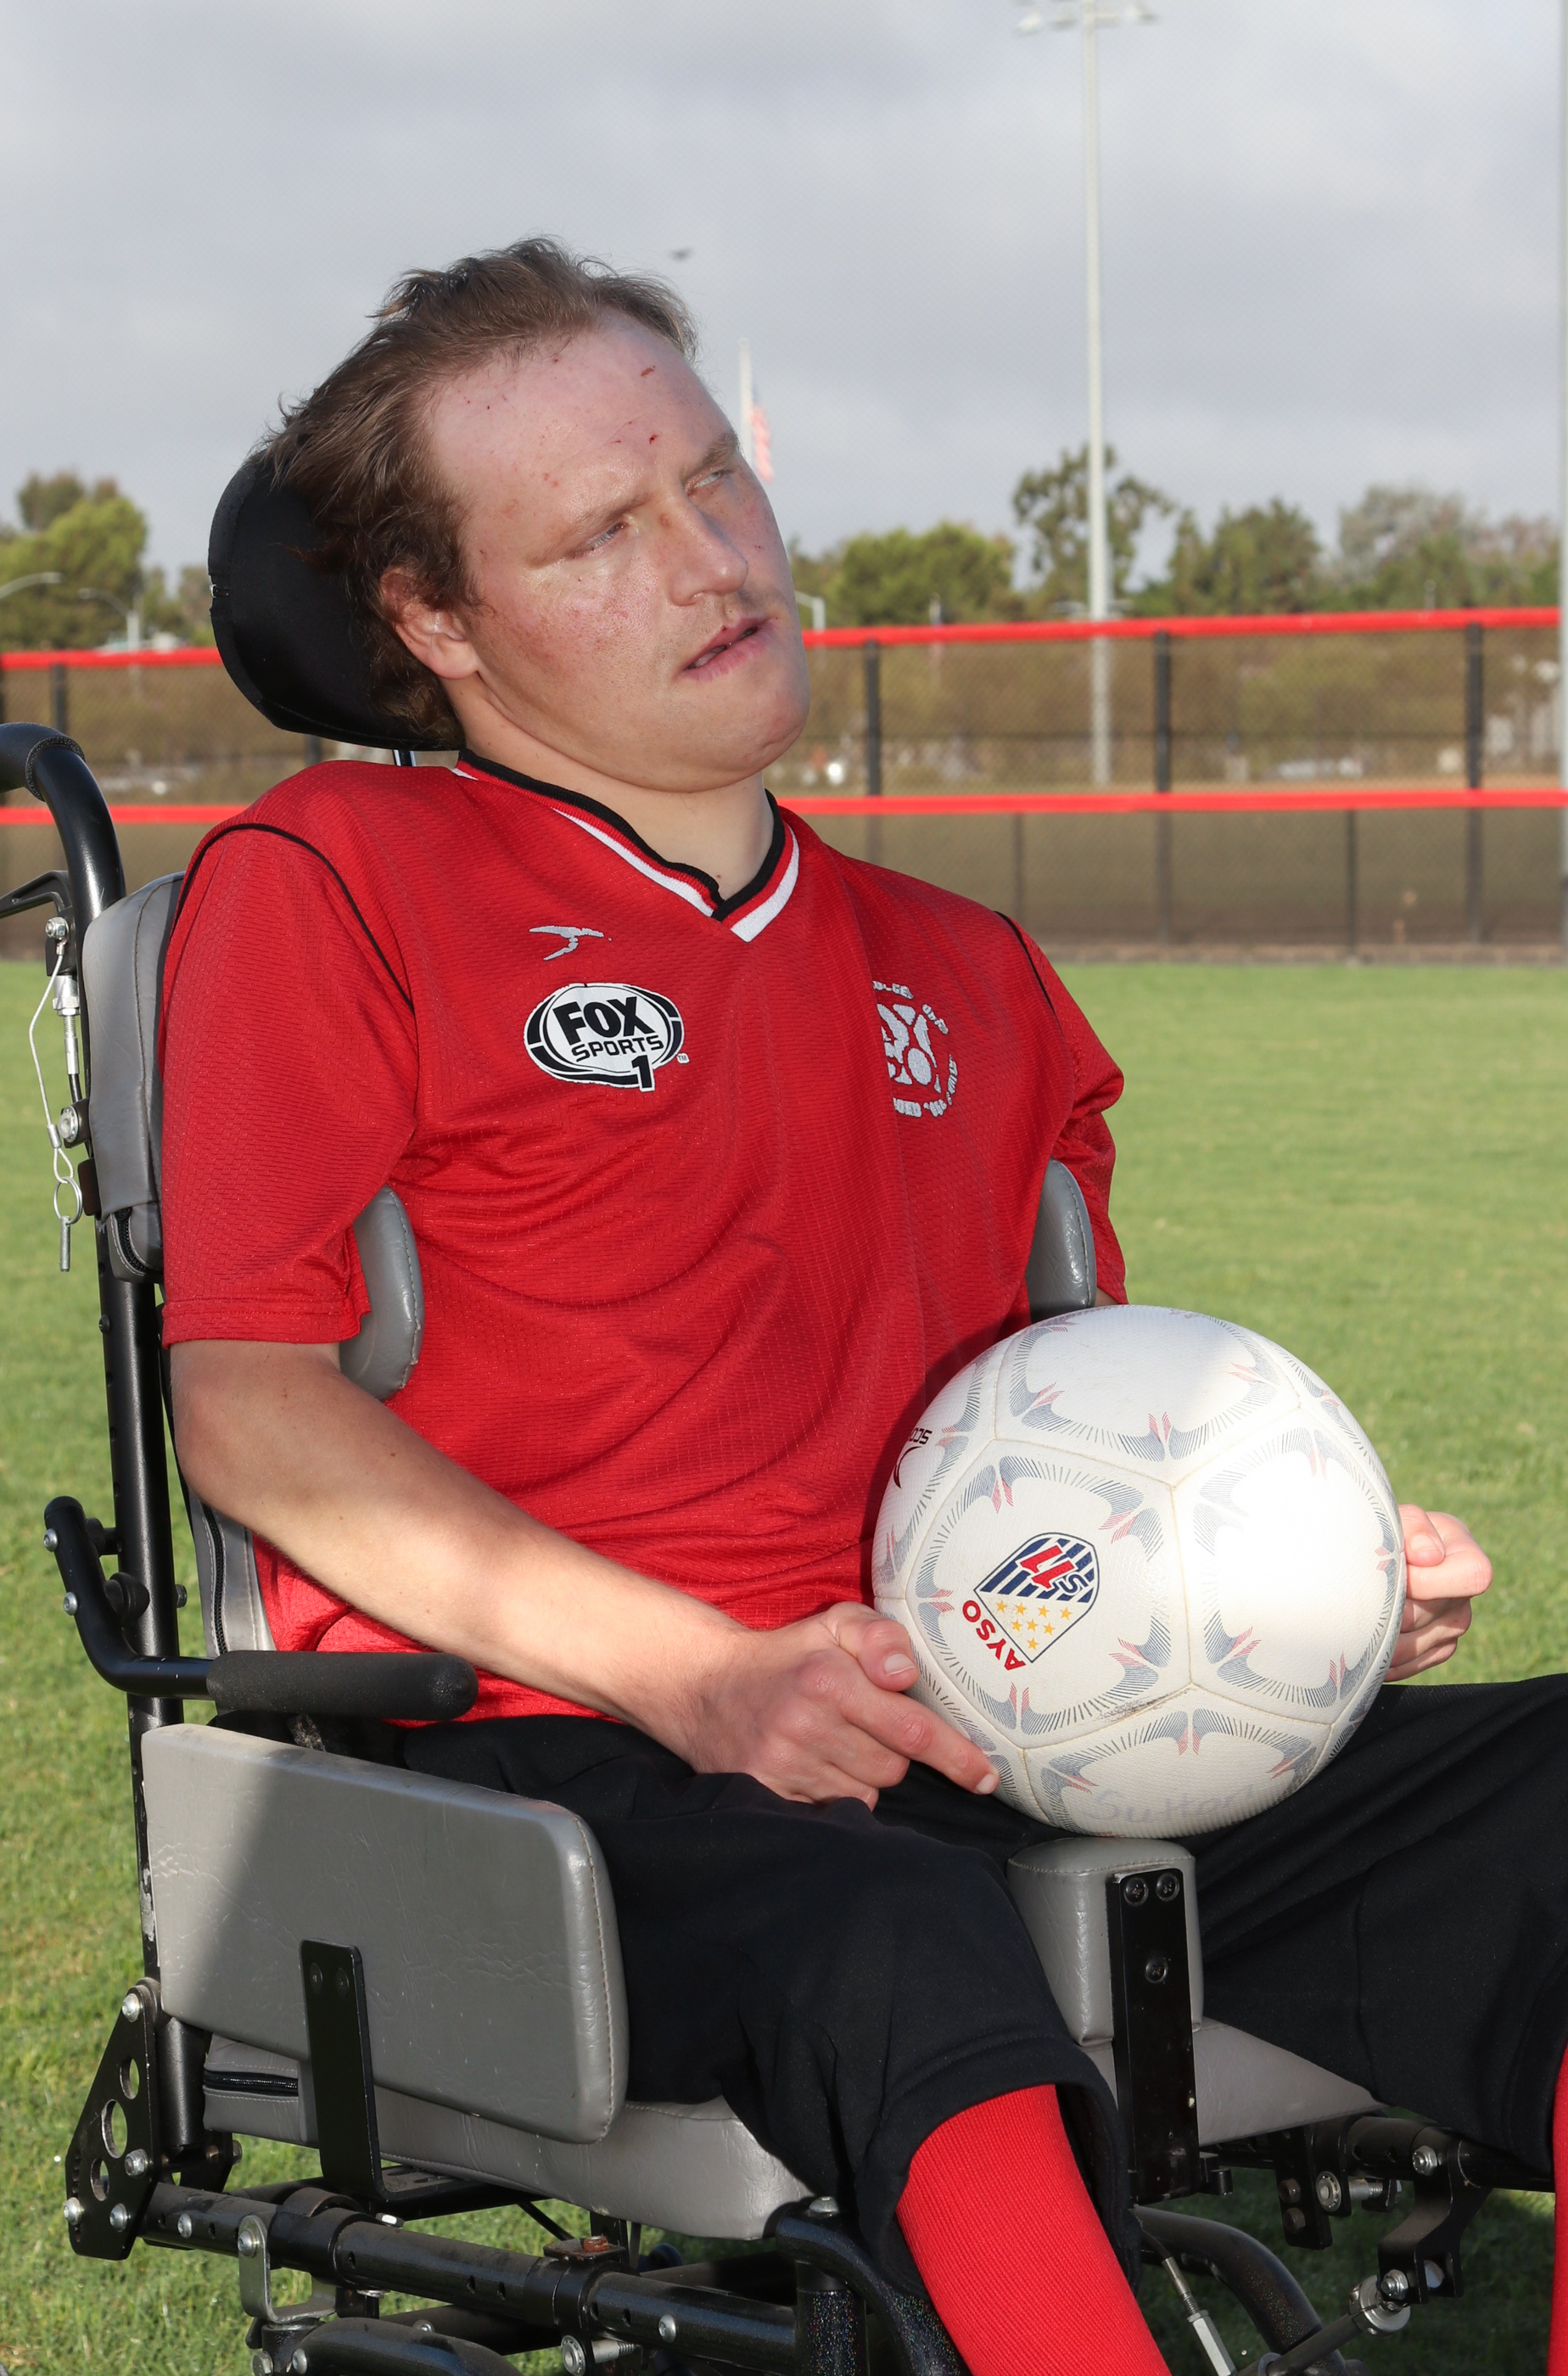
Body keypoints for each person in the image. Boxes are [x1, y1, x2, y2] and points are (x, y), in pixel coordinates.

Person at [160, 240, 1550, 2376]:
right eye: (598, 534)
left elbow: (1065, 1459)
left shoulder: (967, 969)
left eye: (713, 478)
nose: (712, 557)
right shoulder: (334, 877)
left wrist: (1300, 1591)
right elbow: (251, 1409)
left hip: (975, 1719)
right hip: (556, 1755)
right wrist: (708, 1676)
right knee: (882, 1918)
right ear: (435, 622)